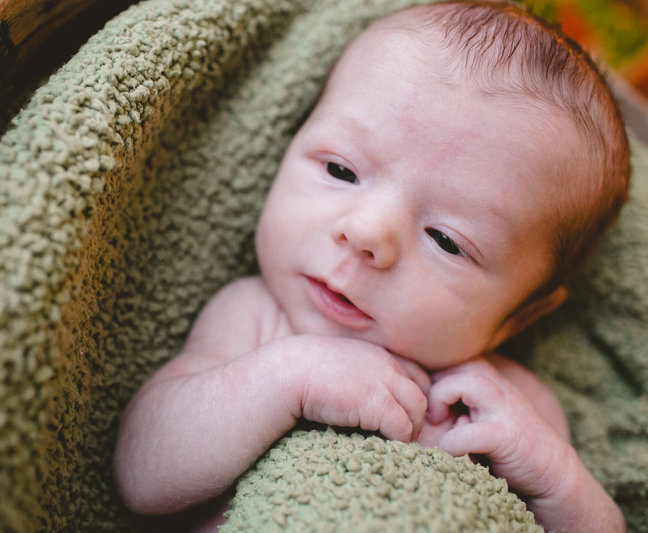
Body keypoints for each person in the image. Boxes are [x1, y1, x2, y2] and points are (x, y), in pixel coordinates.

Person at [114, 1, 631, 530]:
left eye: (447, 241)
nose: (365, 233)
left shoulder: (506, 408)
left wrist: (558, 480)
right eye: (341, 169)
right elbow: (141, 476)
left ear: (520, 316)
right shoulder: (254, 322)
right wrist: (290, 377)